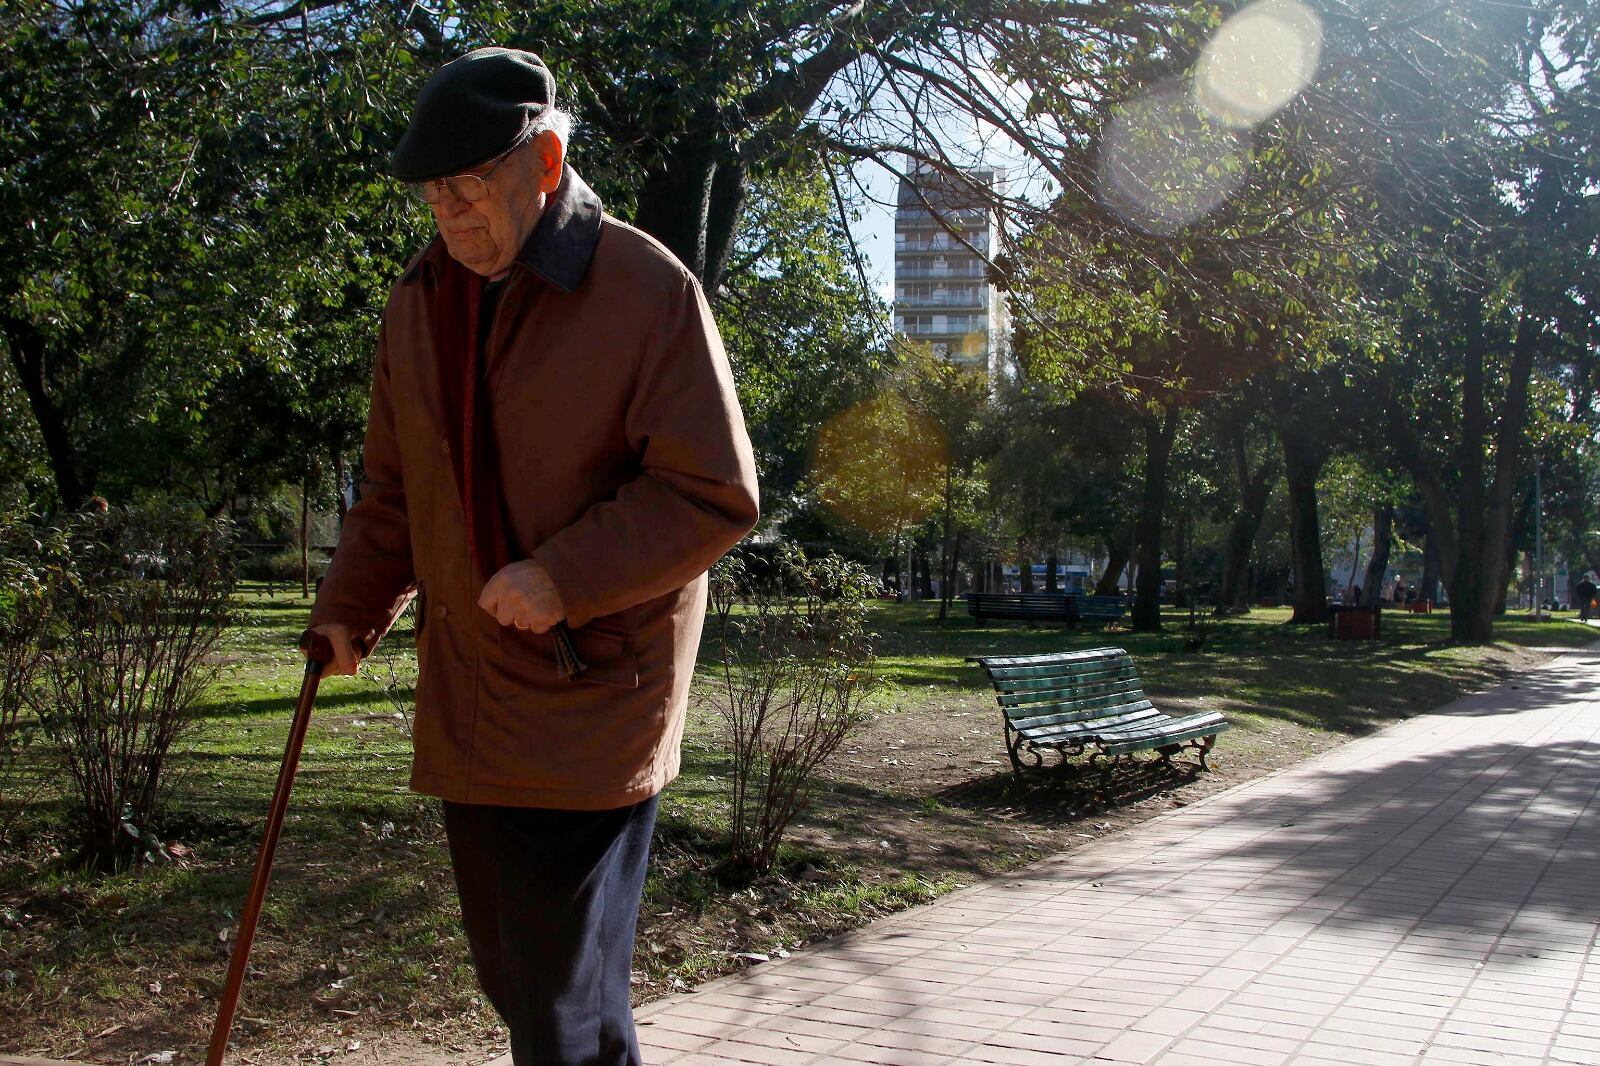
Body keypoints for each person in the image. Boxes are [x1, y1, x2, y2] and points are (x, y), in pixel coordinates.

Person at [303, 47, 759, 1066]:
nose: (454, 216)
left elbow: (714, 493)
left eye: (473, 187)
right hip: (474, 695)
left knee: (559, 1003)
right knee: (523, 982)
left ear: (545, 162)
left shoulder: (645, 289)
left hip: (596, 695)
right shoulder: (417, 302)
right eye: (435, 195)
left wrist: (566, 574)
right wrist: (351, 603)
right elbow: (394, 487)